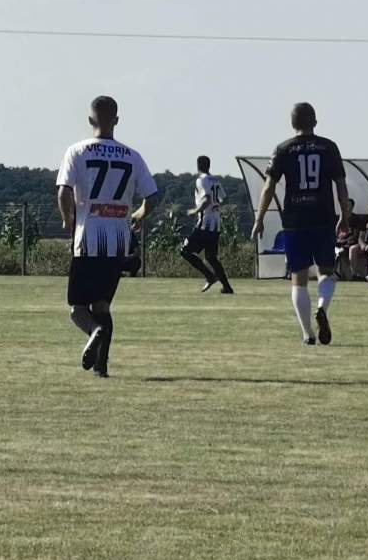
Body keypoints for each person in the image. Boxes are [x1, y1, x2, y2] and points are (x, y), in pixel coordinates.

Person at [56, 95, 161, 377]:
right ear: (116, 120)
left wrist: (67, 219)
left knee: (78, 309)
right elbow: (153, 196)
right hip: (118, 242)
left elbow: (64, 191)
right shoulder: (132, 155)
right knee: (102, 305)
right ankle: (101, 367)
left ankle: (94, 331)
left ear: (90, 119)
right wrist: (138, 215)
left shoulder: (77, 151)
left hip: (88, 239)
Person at [250, 102, 351, 345]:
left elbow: (269, 186)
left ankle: (307, 334)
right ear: (315, 121)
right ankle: (322, 308)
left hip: (295, 220)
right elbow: (340, 185)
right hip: (323, 217)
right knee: (326, 272)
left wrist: (259, 218)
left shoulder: (283, 149)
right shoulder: (329, 147)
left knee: (299, 278)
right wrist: (345, 215)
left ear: (292, 123)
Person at [179, 155, 234, 293]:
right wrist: (216, 207)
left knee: (185, 251)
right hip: (216, 223)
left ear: (198, 166)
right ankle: (227, 287)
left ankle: (210, 276)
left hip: (205, 223)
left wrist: (195, 211)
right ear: (209, 166)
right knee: (211, 257)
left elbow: (207, 199)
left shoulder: (201, 180)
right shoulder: (215, 180)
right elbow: (224, 199)